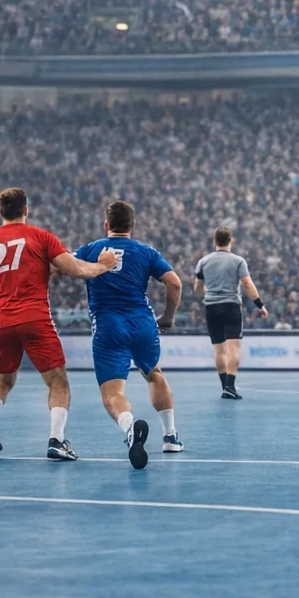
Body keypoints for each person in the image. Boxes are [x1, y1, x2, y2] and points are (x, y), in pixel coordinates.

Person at [0, 187, 120, 461]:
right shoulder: (41, 237)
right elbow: (76, 269)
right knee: (58, 382)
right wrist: (104, 266)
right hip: (33, 318)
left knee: (2, 380)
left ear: (0, 212)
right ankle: (57, 440)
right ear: (26, 210)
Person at [72, 201, 184, 469]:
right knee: (153, 373)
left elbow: (61, 266)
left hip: (108, 325)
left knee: (112, 393)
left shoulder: (90, 249)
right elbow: (174, 282)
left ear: (106, 225)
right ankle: (170, 437)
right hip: (142, 322)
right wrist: (168, 316)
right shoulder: (146, 252)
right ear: (133, 226)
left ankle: (130, 426)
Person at [193, 227, 268, 399]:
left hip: (211, 307)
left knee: (219, 349)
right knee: (233, 347)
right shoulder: (238, 261)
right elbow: (248, 285)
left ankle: (224, 386)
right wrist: (259, 304)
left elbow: (197, 287)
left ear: (214, 241)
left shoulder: (203, 261)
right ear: (230, 241)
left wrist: (209, 294)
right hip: (231, 306)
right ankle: (230, 386)